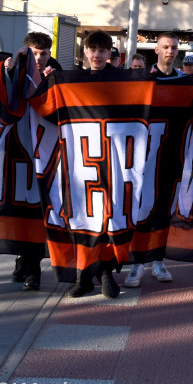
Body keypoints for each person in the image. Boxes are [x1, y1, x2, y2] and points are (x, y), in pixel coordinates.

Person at [68, 30, 123, 298]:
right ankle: (84, 274)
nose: (97, 55)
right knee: (83, 217)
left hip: (112, 158)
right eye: (93, 50)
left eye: (103, 51)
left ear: (109, 53)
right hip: (81, 159)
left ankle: (106, 272)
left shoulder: (122, 80)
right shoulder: (72, 79)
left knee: (109, 217)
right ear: (85, 52)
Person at [125, 32, 180, 288]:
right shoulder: (143, 79)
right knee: (140, 208)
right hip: (143, 155)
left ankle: (157, 259)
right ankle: (136, 263)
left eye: (173, 47)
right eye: (165, 47)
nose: (169, 51)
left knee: (163, 209)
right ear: (156, 50)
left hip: (171, 154)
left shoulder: (183, 81)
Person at [9, 31, 60, 292]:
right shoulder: (13, 72)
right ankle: (23, 260)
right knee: (20, 212)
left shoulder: (56, 76)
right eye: (34, 53)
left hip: (45, 155)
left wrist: (52, 85)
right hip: (17, 153)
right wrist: (9, 70)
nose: (39, 59)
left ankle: (33, 268)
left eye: (43, 53)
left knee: (38, 213)